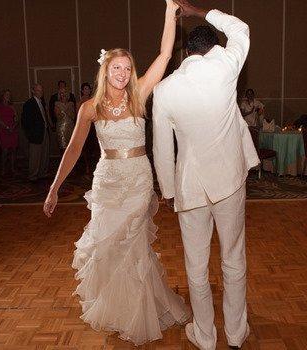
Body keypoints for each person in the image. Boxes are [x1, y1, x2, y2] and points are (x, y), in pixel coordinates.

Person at [42, 0, 189, 346]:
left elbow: (166, 55)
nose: (122, 74)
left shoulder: (139, 95)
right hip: (107, 181)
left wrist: (170, 10)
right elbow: (74, 150)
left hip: (138, 180)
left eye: (127, 68)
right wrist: (54, 189)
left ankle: (138, 313)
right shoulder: (89, 109)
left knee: (133, 244)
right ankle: (120, 310)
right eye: (117, 69)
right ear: (105, 71)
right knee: (110, 247)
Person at [152, 1, 258, 348]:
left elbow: (162, 149)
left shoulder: (165, 89)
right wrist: (198, 11)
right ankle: (236, 333)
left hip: (190, 188)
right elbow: (241, 29)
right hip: (229, 182)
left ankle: (205, 336)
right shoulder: (225, 64)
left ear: (186, 52)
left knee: (196, 269)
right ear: (213, 47)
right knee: (233, 258)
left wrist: (167, 191)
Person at [22, 84, 53, 181]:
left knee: (44, 154)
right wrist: (30, 134)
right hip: (35, 134)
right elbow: (25, 121)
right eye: (38, 90)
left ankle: (42, 173)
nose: (40, 92)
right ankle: (33, 175)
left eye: (41, 90)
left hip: (44, 131)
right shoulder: (29, 103)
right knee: (35, 155)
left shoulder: (42, 102)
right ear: (33, 91)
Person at [0, 89, 18, 175]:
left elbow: (15, 118)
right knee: (5, 150)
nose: (8, 96)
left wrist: (13, 126)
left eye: (9, 95)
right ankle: (3, 169)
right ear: (2, 95)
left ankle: (13, 168)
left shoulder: (12, 106)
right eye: (6, 94)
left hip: (12, 130)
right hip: (3, 130)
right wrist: (7, 127)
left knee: (13, 149)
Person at [78, 82, 97, 174]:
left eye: (88, 89)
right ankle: (87, 167)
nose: (87, 90)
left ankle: (94, 167)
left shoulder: (93, 100)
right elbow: (79, 116)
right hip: (85, 126)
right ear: (82, 90)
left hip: (94, 127)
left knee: (94, 147)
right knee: (86, 148)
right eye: (85, 89)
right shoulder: (81, 101)